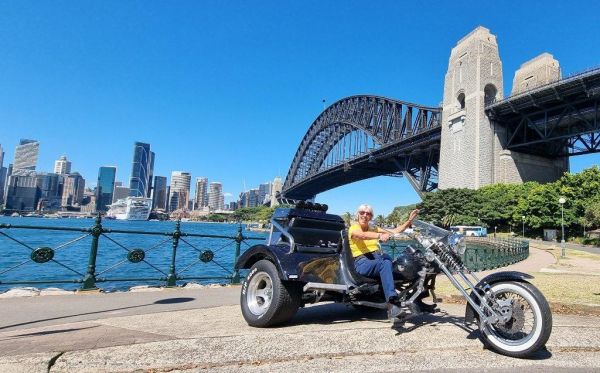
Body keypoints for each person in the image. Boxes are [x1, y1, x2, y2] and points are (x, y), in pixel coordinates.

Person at [348, 204, 420, 320]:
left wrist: (410, 220)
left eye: (368, 213)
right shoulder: (354, 228)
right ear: (358, 214)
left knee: (400, 264)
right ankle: (392, 304)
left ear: (371, 217)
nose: (365, 215)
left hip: (376, 259)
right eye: (362, 212)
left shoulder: (374, 228)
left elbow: (396, 230)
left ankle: (415, 299)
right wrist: (380, 236)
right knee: (385, 262)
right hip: (362, 262)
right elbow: (362, 235)